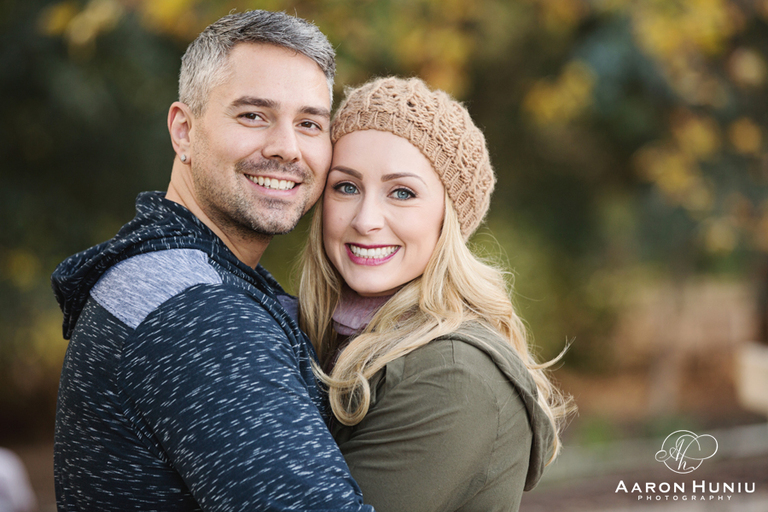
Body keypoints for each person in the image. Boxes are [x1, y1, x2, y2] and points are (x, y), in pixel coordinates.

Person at [51, 10, 374, 511]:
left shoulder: (164, 271)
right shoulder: (199, 313)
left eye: (309, 123)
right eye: (253, 115)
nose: (287, 149)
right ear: (183, 130)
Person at [298, 76, 573, 512]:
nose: (366, 219)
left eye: (402, 192)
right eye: (346, 186)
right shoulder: (318, 334)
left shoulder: (452, 375)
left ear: (448, 219)